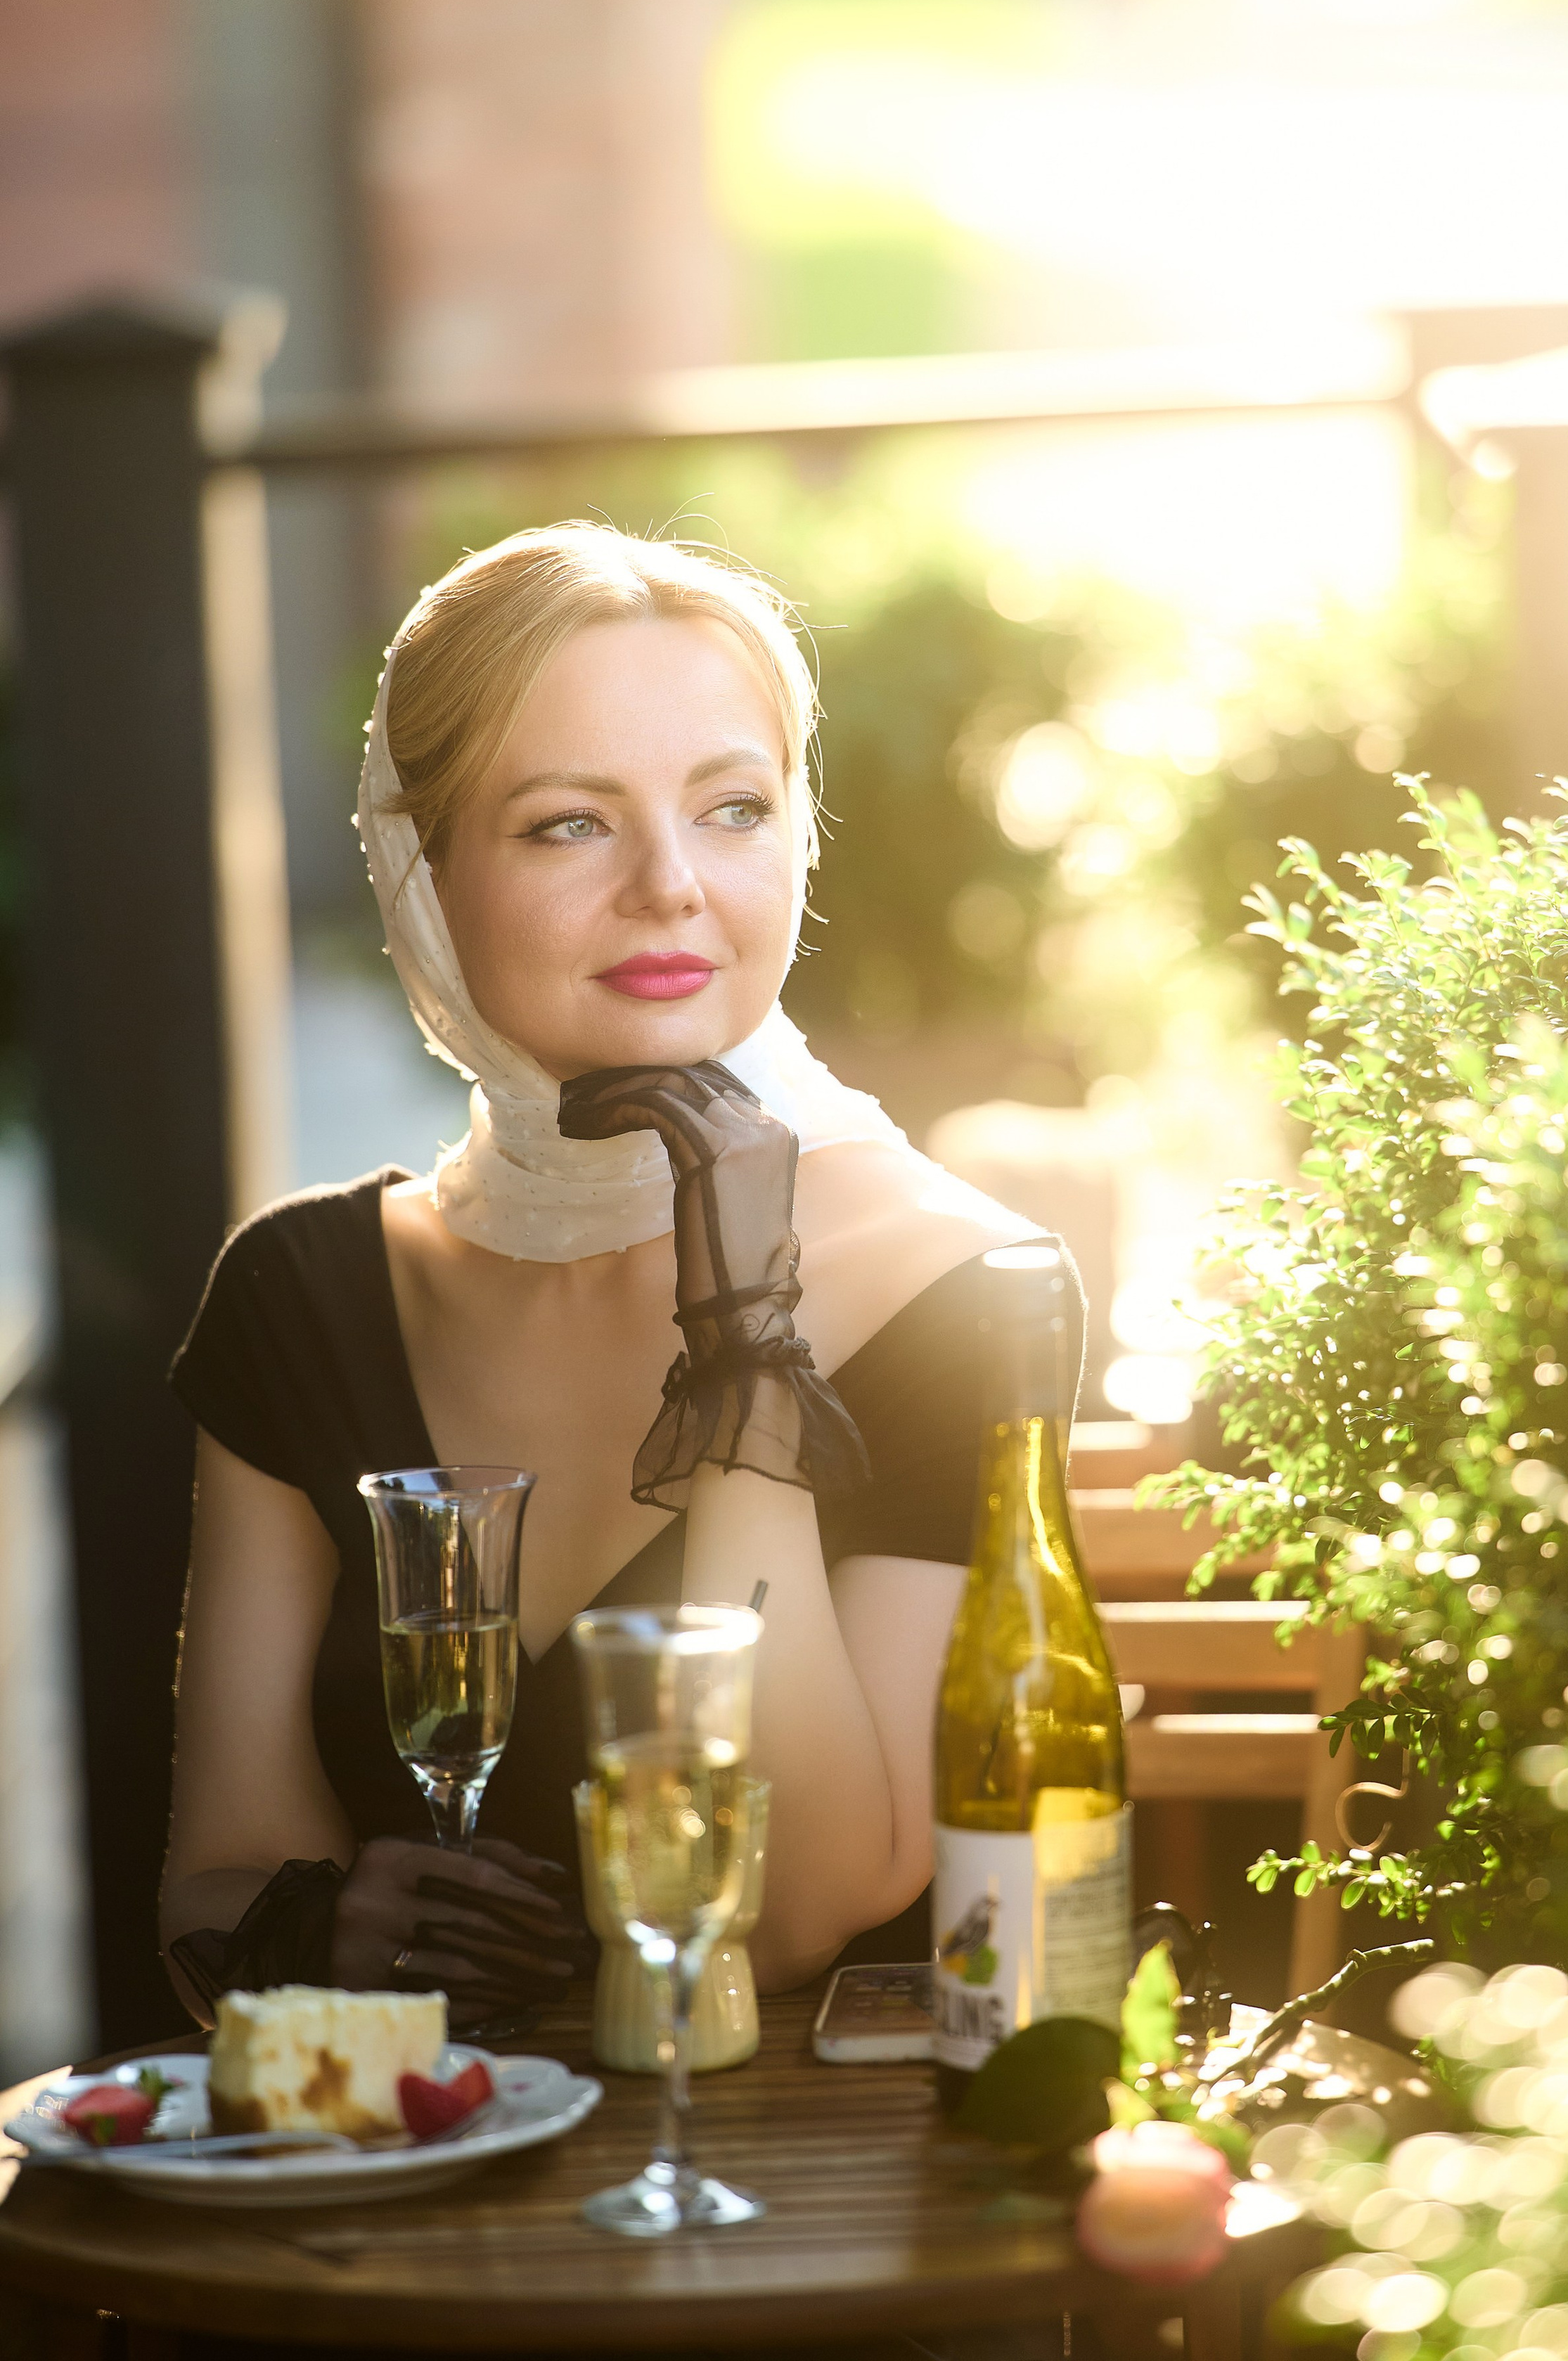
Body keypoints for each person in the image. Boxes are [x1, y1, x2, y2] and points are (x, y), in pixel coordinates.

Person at [159, 524, 1077, 2030]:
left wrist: (745, 1322)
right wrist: (325, 1931)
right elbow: (211, 1887)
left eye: (732, 808)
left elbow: (799, 1909)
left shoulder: (962, 1280)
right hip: (419, 2158)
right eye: (569, 824)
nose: (670, 885)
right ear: (419, 866)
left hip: (809, 2168)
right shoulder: (299, 1292)